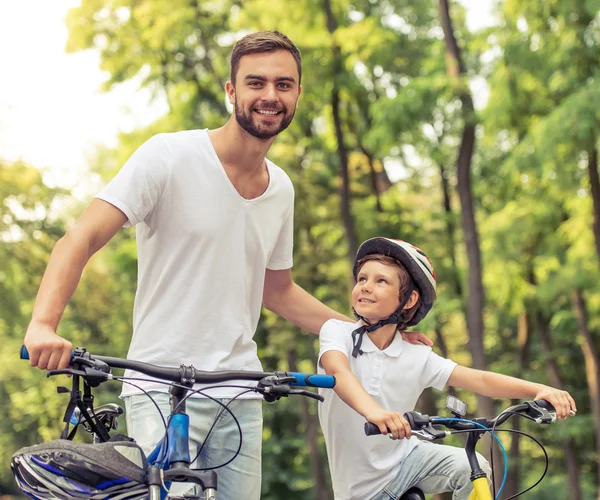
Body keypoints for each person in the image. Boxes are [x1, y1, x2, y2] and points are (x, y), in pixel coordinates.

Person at [23, 31, 430, 499]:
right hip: (160, 386)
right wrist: (43, 324)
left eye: (284, 84)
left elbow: (277, 291)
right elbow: (81, 237)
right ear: (231, 92)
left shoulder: (281, 189)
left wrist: (373, 334)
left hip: (239, 391)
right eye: (255, 83)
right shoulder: (170, 156)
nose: (270, 95)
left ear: (297, 93)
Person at [317, 236, 577, 500]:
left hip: (408, 462)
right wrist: (374, 412)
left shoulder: (416, 355)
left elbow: (481, 380)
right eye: (362, 279)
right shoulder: (337, 331)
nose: (366, 287)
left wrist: (539, 389)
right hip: (358, 491)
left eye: (380, 281)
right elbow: (339, 374)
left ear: (408, 300)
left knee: (472, 467)